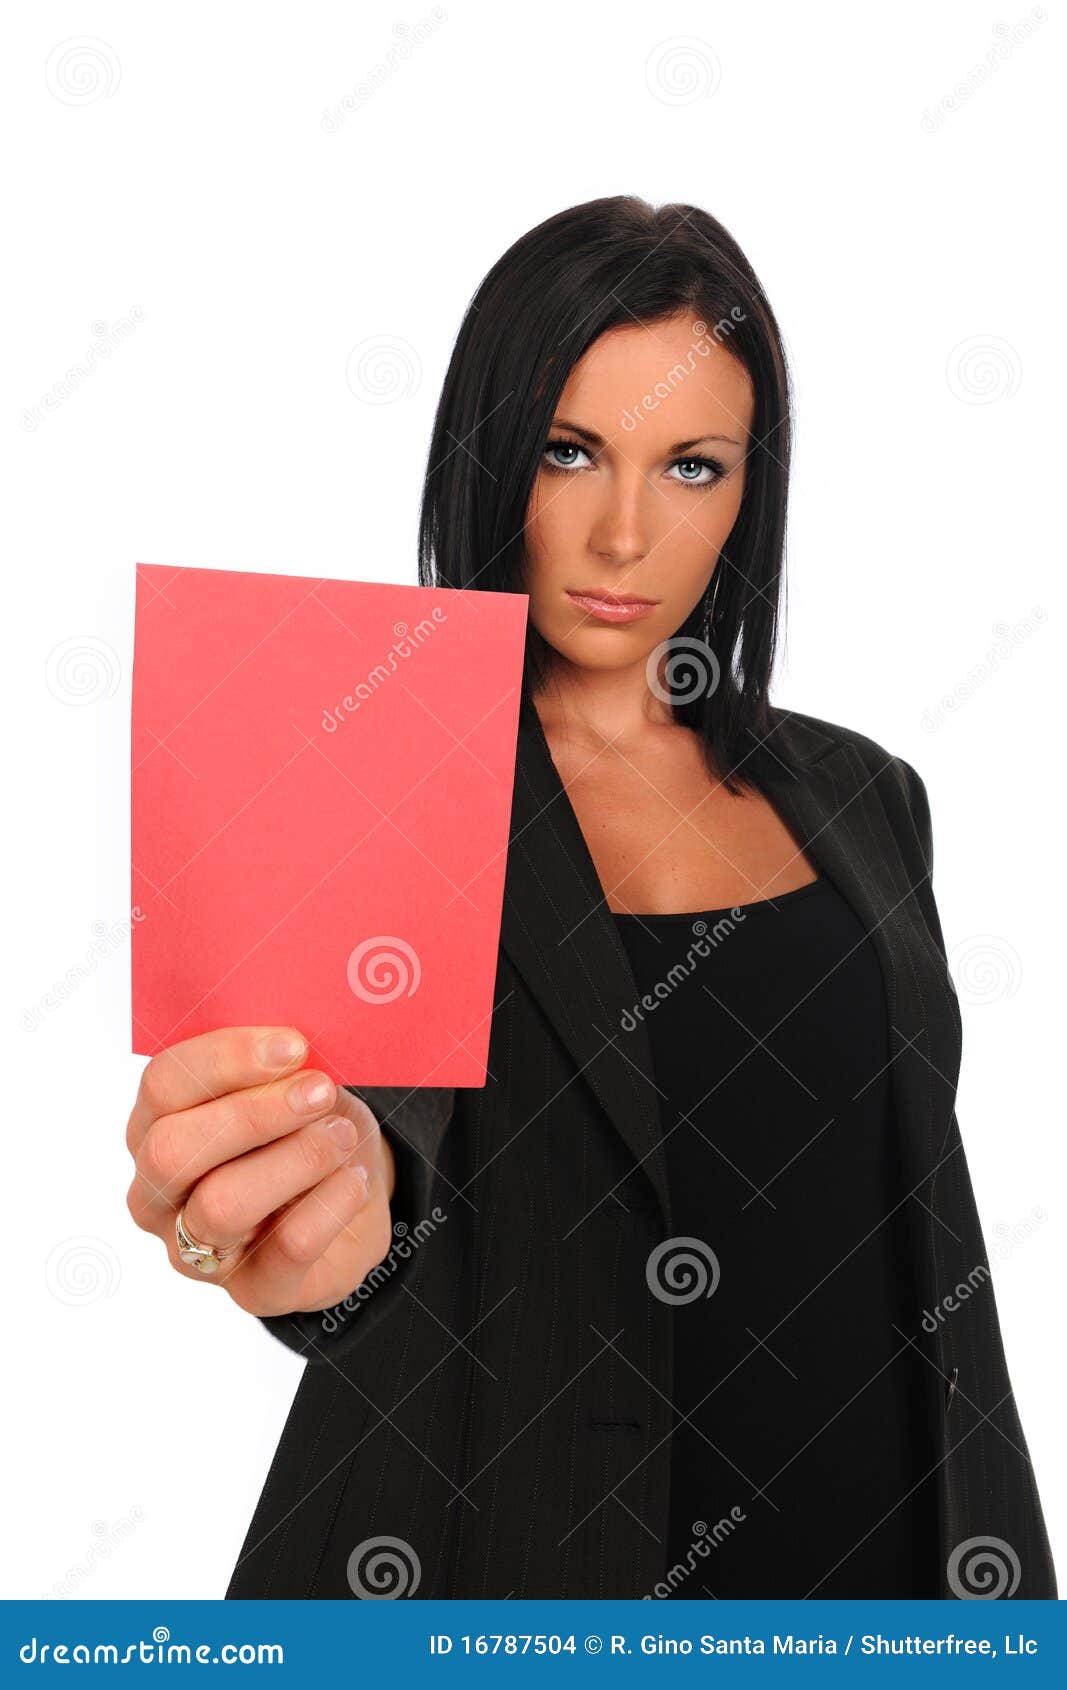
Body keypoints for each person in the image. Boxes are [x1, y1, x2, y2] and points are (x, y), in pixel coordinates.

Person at [125, 196, 1057, 1600]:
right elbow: (369, 1157)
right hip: (507, 1562)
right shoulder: (372, 768)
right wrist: (305, 1227)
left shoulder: (870, 797)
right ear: (491, 449)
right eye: (571, 451)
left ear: (754, 490)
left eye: (692, 466)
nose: (625, 533)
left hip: (892, 1574)